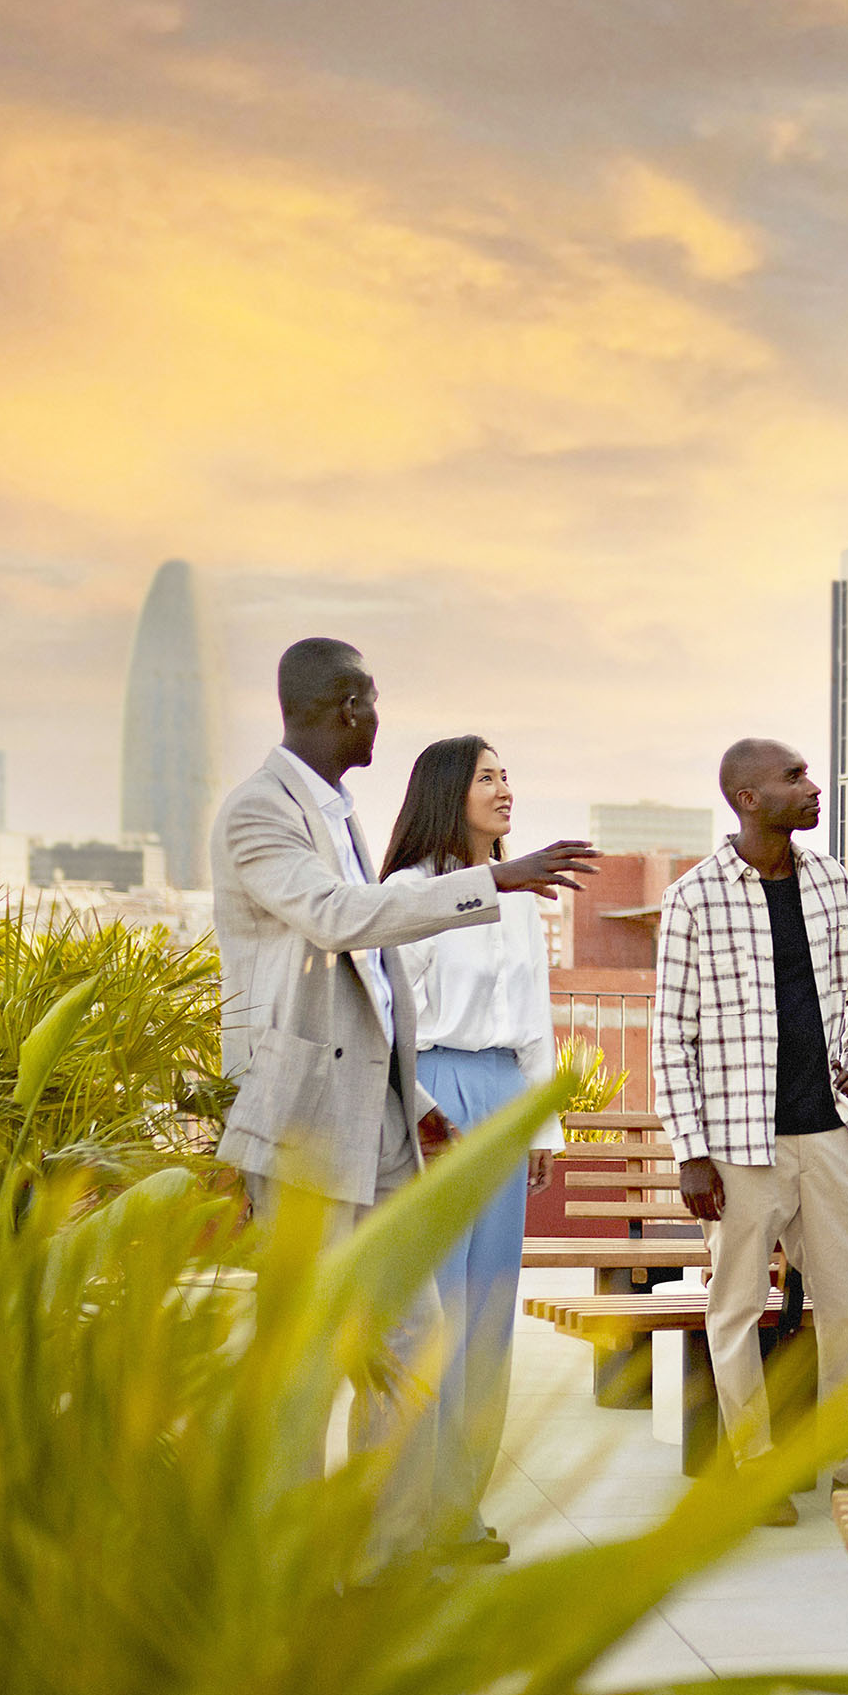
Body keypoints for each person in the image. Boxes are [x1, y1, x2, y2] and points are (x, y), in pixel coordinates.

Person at [212, 638, 594, 1551]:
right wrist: (494, 879)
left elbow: (379, 990)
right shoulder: (260, 813)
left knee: (422, 1343)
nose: (380, 718)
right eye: (372, 701)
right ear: (346, 705)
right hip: (306, 1122)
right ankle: (292, 1559)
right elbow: (341, 923)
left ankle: (391, 1551)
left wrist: (408, 1097)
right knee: (302, 1358)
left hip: (382, 1115)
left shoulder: (335, 813)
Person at [652, 737, 848, 1523]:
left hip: (827, 1135)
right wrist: (690, 1153)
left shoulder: (831, 881)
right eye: (794, 778)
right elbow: (670, 1037)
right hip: (738, 1144)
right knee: (737, 1308)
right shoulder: (695, 898)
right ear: (748, 798)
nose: (812, 787)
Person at [378, 734, 565, 1563]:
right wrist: (420, 1109)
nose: (505, 789)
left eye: (508, 774)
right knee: (434, 1316)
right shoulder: (408, 893)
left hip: (500, 1100)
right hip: (432, 1100)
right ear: (448, 791)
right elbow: (388, 1021)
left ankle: (460, 1513)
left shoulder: (520, 898)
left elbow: (536, 1020)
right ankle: (406, 1518)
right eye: (488, 776)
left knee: (489, 1314)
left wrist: (543, 1121)